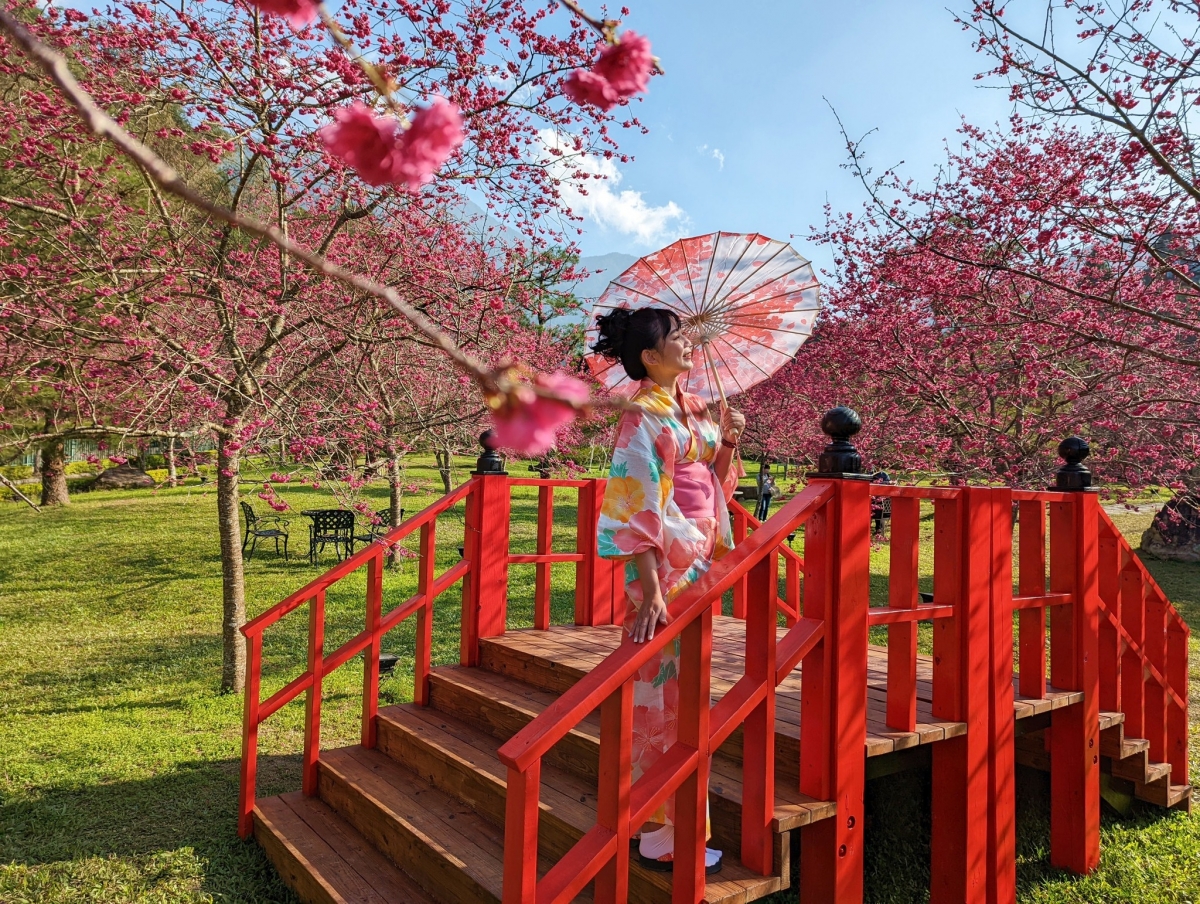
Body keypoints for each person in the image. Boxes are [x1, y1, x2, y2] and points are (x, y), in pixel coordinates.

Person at [592, 306, 745, 875]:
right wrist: (652, 586)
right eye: (675, 337)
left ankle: (664, 825)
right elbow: (637, 502)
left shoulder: (697, 408)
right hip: (667, 567)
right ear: (650, 358)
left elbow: (714, 480)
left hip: (699, 557)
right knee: (663, 700)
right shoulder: (641, 415)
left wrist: (726, 442)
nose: (687, 342)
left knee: (686, 692)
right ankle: (663, 831)